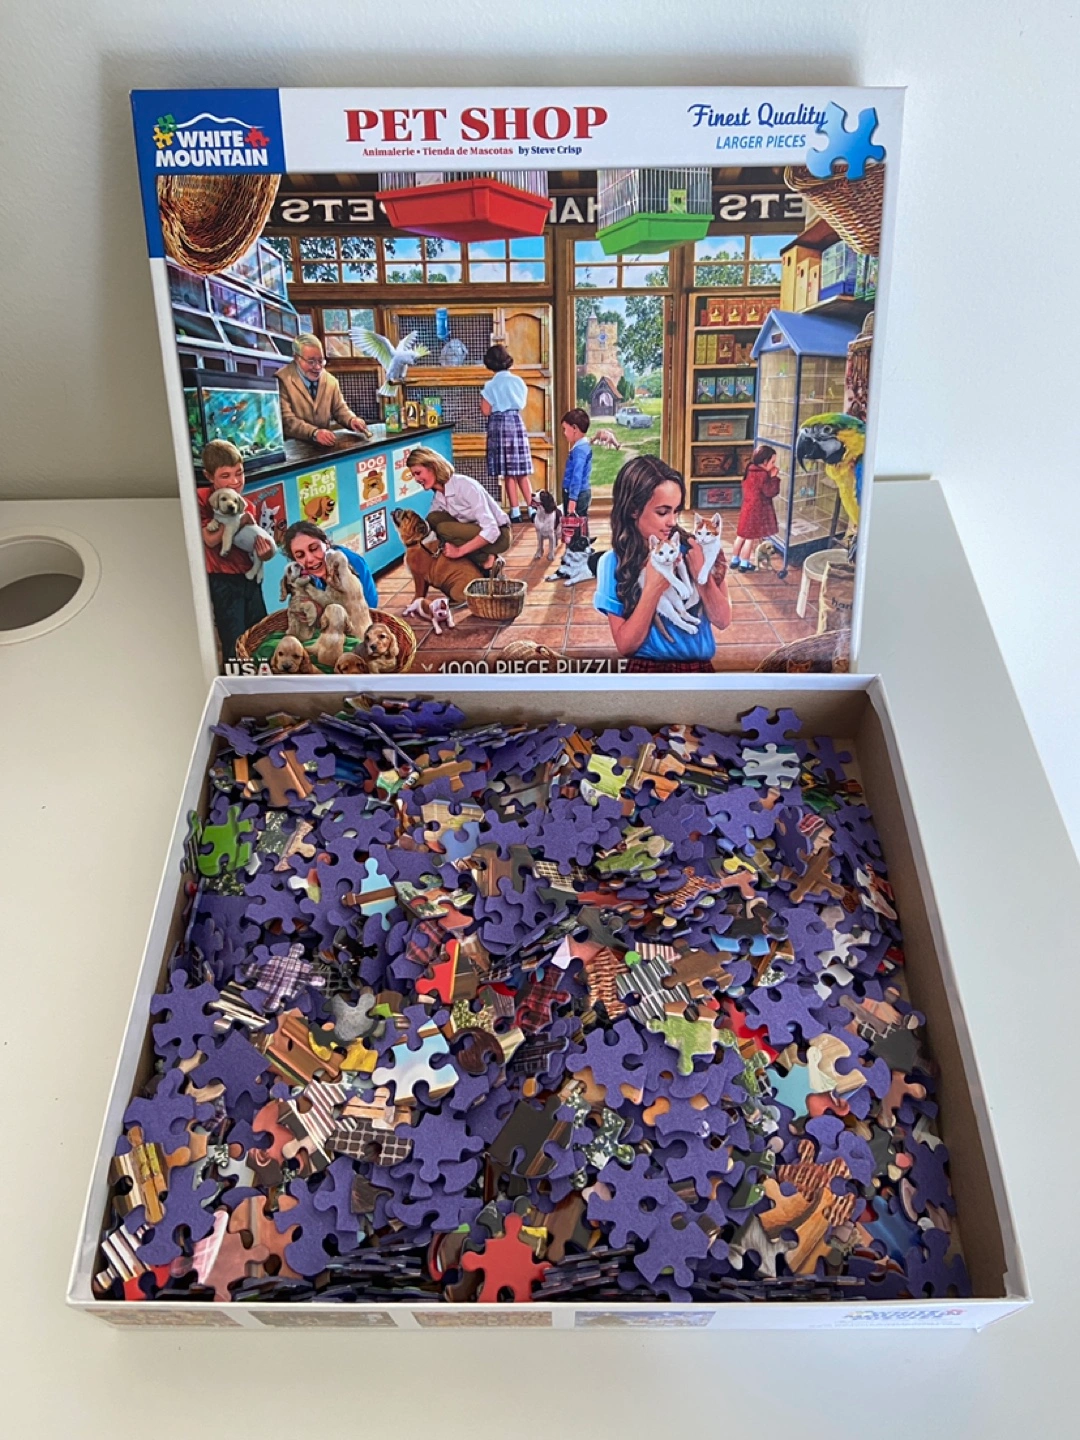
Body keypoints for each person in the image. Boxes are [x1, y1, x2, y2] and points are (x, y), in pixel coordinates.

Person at [594, 455, 731, 673]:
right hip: (645, 671)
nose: (672, 521)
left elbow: (722, 620)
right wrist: (653, 587)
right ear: (633, 509)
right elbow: (626, 645)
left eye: (676, 511)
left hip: (697, 670)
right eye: (662, 512)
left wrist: (701, 576)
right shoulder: (611, 563)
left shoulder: (697, 550)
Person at [197, 439, 276, 663]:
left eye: (239, 473)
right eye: (225, 476)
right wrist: (241, 521)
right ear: (209, 476)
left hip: (249, 577)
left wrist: (265, 554)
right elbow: (210, 540)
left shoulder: (246, 505)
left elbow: (257, 546)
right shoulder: (202, 499)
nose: (234, 481)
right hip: (223, 580)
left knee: (260, 631)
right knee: (234, 636)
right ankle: (239, 678)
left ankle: (262, 673)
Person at [405, 446, 513, 572]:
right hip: (475, 529)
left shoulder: (465, 486)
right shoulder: (439, 496)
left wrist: (459, 551)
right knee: (433, 519)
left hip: (500, 536)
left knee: (444, 529)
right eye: (413, 475)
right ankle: (477, 557)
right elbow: (428, 526)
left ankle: (486, 560)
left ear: (433, 467)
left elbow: (492, 529)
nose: (416, 479)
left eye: (418, 473)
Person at [277, 334, 371, 447]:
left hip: (324, 448)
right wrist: (314, 433)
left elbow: (340, 409)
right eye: (311, 362)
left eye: (320, 361)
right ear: (297, 358)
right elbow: (287, 420)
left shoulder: (331, 381)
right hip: (293, 449)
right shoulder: (282, 380)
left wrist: (351, 420)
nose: (317, 367)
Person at [479, 343, 534, 521]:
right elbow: (522, 402)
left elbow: (486, 410)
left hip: (499, 426)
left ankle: (515, 511)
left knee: (508, 472)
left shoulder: (490, 385)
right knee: (521, 471)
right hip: (516, 422)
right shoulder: (518, 381)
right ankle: (532, 509)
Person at [283, 520, 379, 608]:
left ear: (327, 543)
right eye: (300, 555)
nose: (310, 559)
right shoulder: (304, 576)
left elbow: (370, 604)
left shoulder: (351, 561)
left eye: (314, 548)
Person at [731, 444, 781, 571]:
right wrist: (774, 478)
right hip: (756, 510)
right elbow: (770, 492)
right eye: (772, 462)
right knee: (750, 538)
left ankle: (734, 559)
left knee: (741, 535)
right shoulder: (763, 475)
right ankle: (744, 563)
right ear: (764, 462)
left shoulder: (750, 470)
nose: (773, 465)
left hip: (747, 507)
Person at [560, 408, 593, 519]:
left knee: (573, 524)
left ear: (574, 428)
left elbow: (577, 476)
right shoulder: (583, 447)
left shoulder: (579, 451)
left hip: (576, 494)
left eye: (565, 429)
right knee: (581, 522)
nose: (564, 433)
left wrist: (572, 499)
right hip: (581, 492)